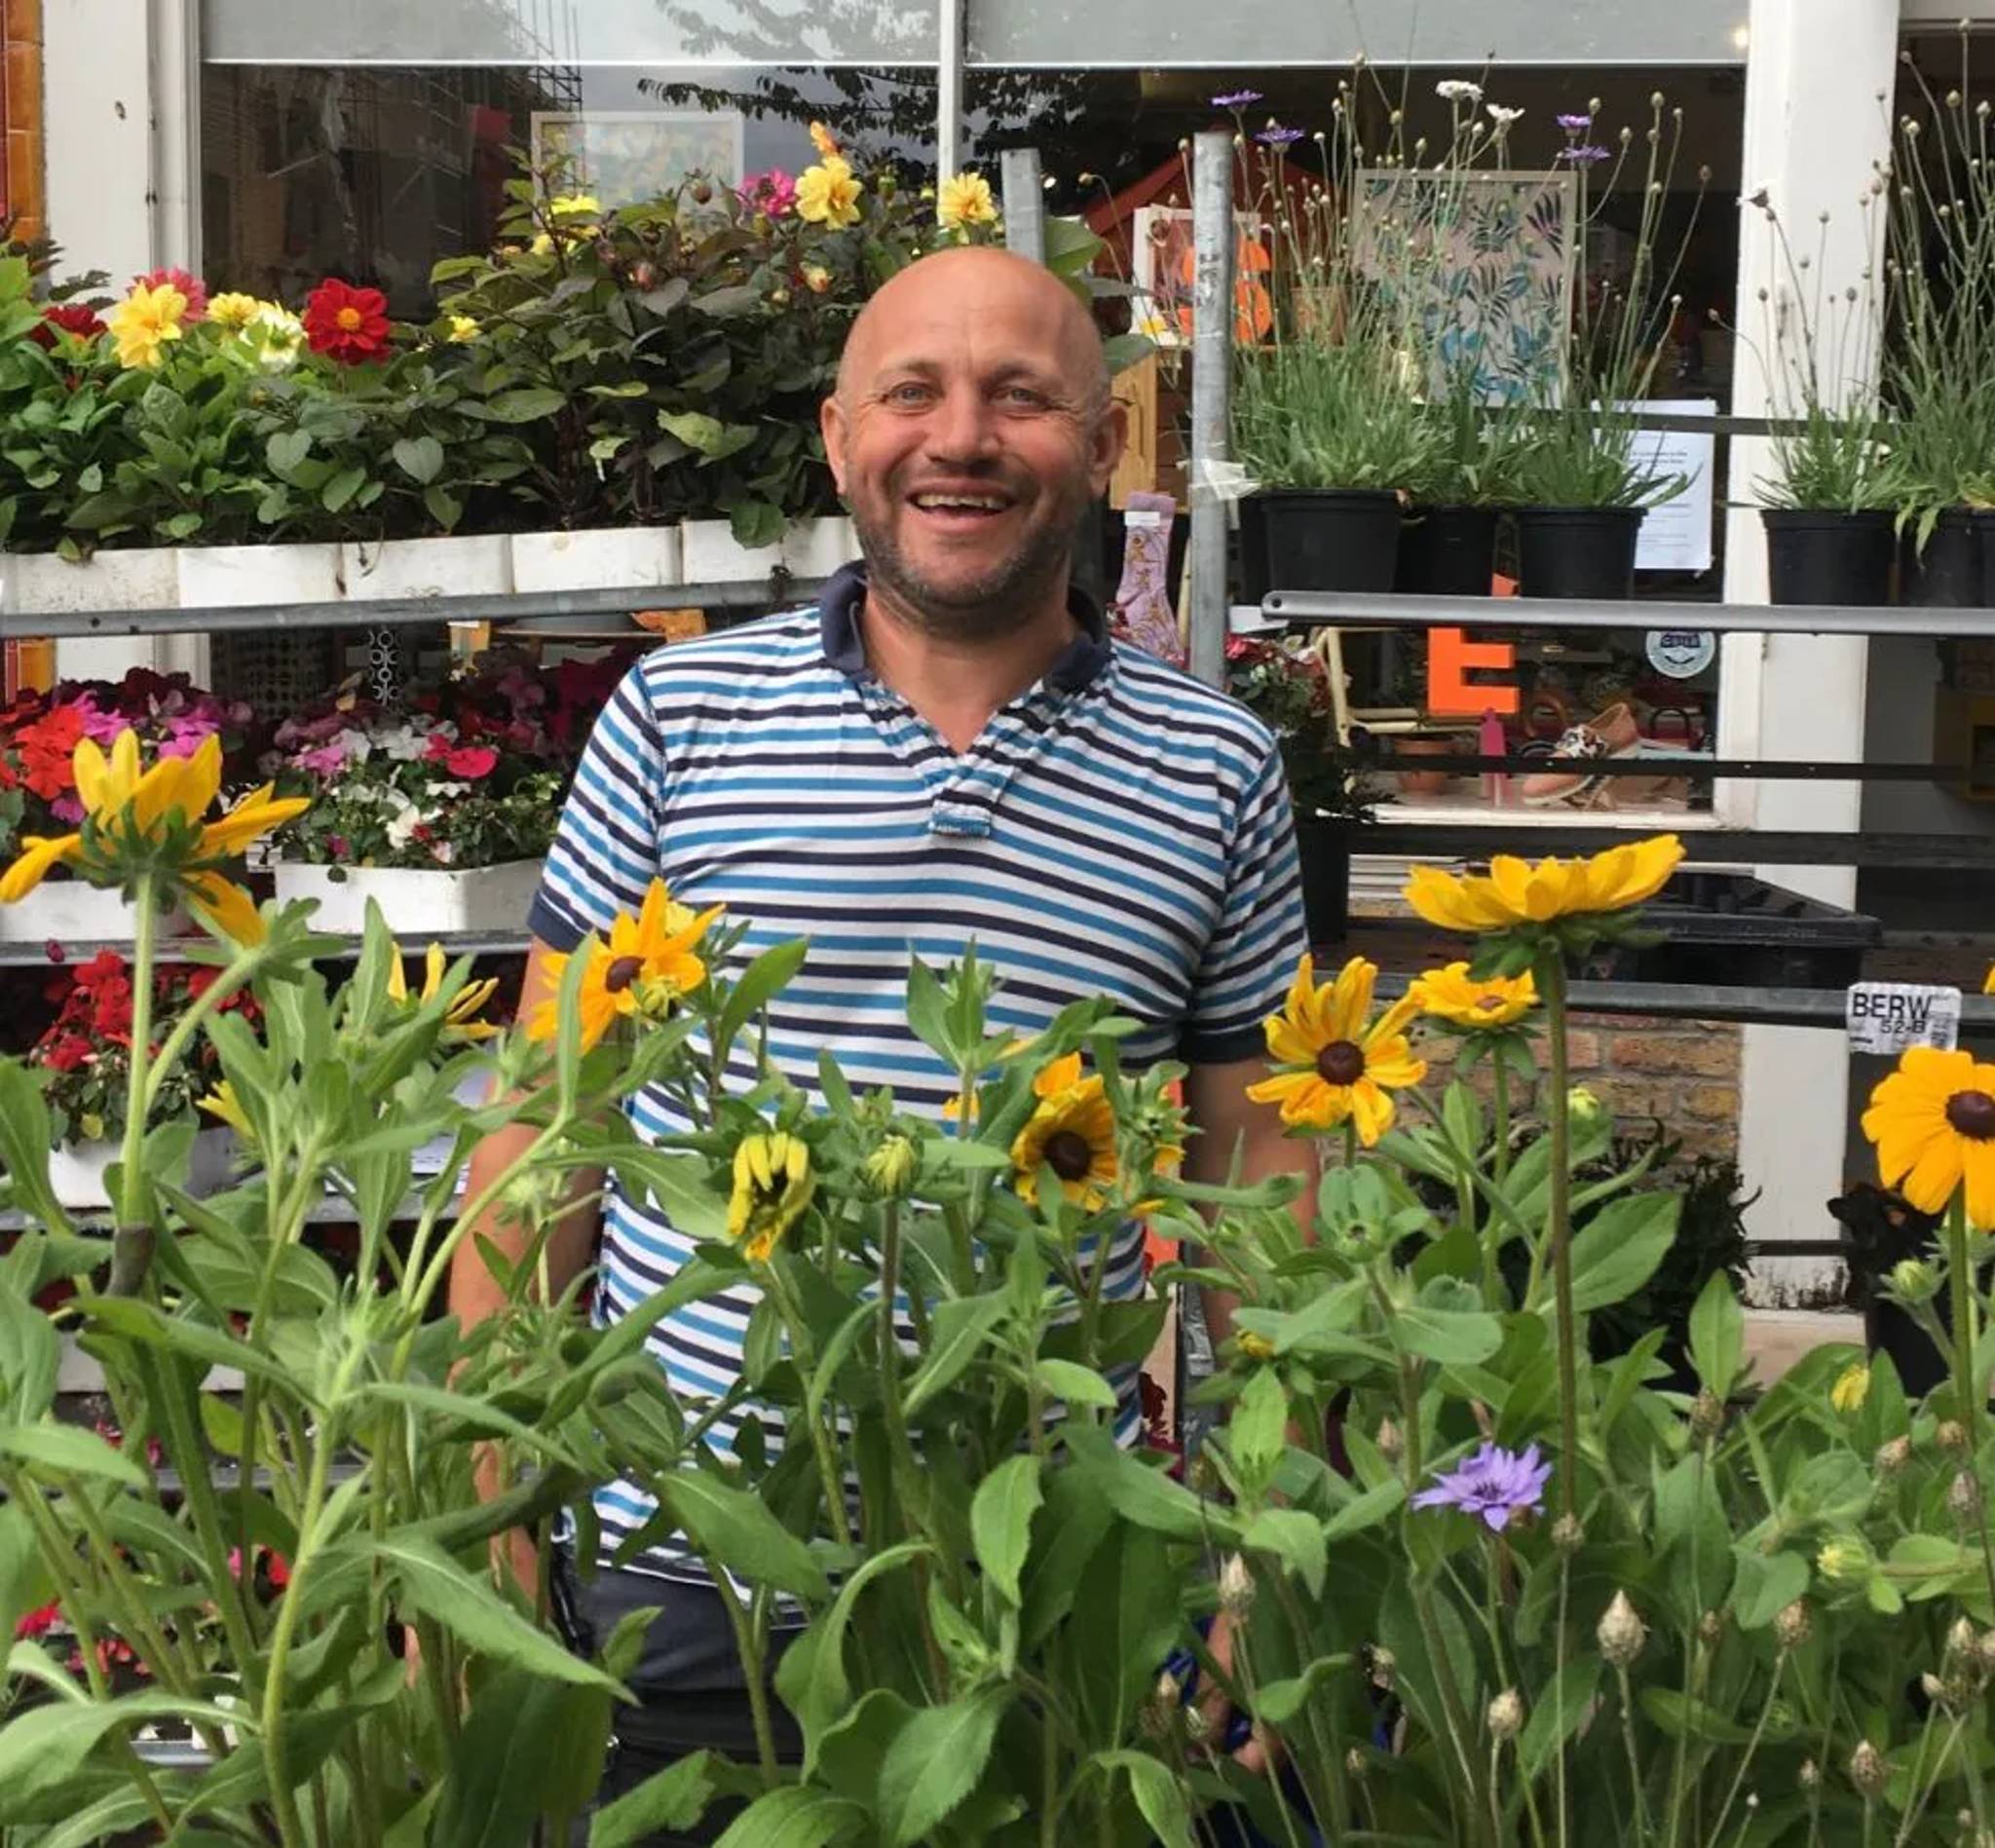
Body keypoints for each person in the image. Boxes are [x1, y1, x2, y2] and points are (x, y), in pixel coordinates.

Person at [453, 245, 1312, 1841]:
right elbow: (541, 1137)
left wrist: (1271, 1552)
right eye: (911, 392)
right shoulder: (675, 720)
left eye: (1021, 395)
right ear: (843, 439)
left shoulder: (1218, 768)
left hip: (1053, 1560)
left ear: (1102, 444)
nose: (961, 437)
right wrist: (494, 1521)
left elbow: (1268, 1193)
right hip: (688, 1555)